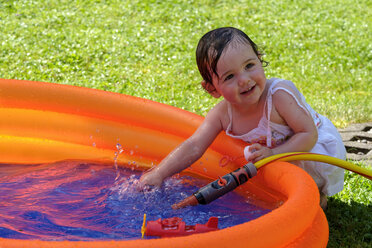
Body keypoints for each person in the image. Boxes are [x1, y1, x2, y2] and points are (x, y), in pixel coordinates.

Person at [139, 27, 346, 210]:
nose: (244, 80)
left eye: (249, 66)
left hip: (311, 151)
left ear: (259, 57)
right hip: (277, 154)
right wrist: (159, 173)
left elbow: (308, 134)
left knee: (298, 181)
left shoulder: (279, 95)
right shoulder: (223, 114)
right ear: (211, 88)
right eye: (230, 77)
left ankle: (315, 195)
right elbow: (194, 145)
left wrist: (274, 153)